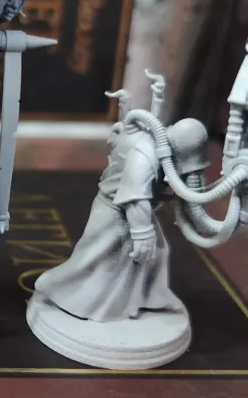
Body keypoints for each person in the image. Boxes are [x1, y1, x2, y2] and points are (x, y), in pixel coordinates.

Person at [32, 117, 210, 323]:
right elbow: (135, 197)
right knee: (101, 261)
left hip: (134, 213)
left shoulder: (158, 149)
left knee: (156, 252)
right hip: (114, 211)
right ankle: (66, 293)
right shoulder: (145, 154)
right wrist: (142, 233)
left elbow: (150, 191)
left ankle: (145, 298)